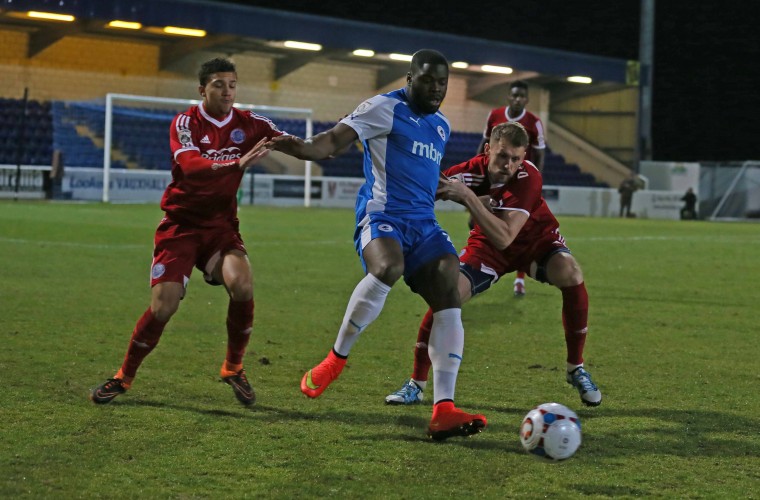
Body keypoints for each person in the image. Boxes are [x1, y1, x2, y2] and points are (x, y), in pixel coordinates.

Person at [265, 49, 487, 441]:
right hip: (382, 214)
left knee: (448, 288)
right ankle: (335, 359)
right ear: (409, 78)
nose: (436, 88)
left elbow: (423, 176)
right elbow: (326, 145)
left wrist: (461, 194)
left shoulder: (441, 126)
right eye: (428, 80)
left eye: (442, 82)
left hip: (424, 223)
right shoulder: (383, 108)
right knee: (387, 267)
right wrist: (277, 140)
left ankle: (444, 409)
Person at [90, 57, 279, 406]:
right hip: (180, 226)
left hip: (220, 228)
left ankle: (233, 367)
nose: (227, 91)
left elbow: (296, 144)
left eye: (232, 84)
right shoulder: (185, 122)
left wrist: (338, 138)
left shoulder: (250, 123)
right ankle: (124, 377)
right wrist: (234, 163)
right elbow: (189, 166)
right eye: (219, 84)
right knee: (164, 307)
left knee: (243, 283)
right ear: (202, 89)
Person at [385, 121, 602, 408]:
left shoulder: (529, 177)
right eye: (502, 156)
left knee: (570, 271)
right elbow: (426, 188)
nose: (508, 165)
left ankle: (576, 368)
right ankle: (416, 383)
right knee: (447, 294)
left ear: (524, 158)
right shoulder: (469, 171)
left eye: (515, 158)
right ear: (488, 150)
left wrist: (468, 198)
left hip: (535, 240)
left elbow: (505, 236)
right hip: (488, 247)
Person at [476, 80, 546, 297]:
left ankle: (519, 279)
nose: (517, 99)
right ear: (509, 96)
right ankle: (476, 264)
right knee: (477, 218)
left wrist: (536, 181)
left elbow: (540, 153)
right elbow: (485, 144)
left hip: (519, 183)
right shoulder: (494, 115)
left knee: (518, 230)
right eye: (514, 95)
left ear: (526, 99)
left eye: (521, 96)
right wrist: (478, 169)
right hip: (494, 178)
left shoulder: (534, 123)